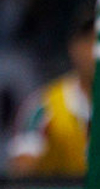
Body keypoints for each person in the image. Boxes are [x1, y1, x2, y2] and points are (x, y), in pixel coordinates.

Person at [7, 12, 94, 177]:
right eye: (87, 41)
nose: (95, 51)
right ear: (73, 47)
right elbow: (20, 171)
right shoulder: (46, 106)